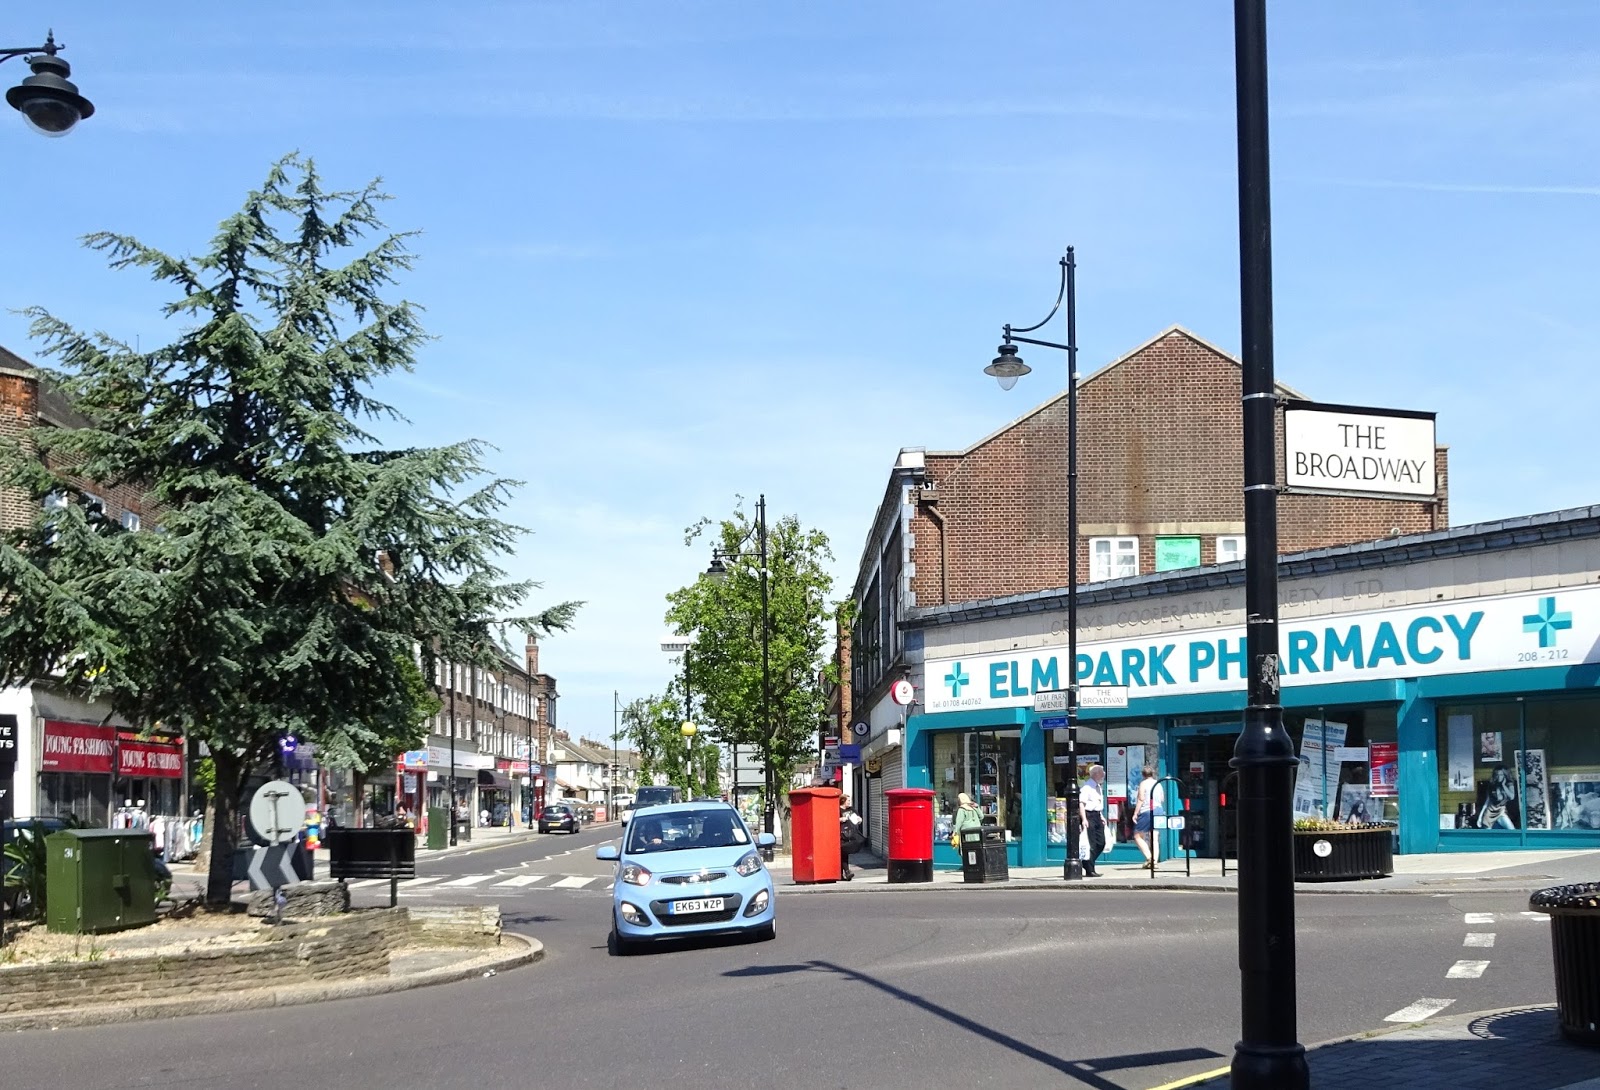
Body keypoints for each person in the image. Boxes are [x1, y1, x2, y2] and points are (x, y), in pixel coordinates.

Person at [1080, 765, 1107, 877]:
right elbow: (1081, 803)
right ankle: (1089, 869)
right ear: (1096, 774)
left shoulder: (1098, 787)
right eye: (1102, 772)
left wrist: (1101, 816)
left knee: (1101, 843)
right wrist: (1084, 819)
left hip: (1097, 815)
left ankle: (1086, 863)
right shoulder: (1087, 787)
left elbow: (1097, 803)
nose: (1103, 774)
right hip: (1089, 815)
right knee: (1091, 844)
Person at [1133, 765, 1163, 862]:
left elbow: (1141, 799)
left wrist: (1135, 813)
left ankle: (1149, 858)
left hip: (1147, 810)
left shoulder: (1143, 784)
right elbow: (1162, 799)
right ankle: (1155, 861)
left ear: (1143, 774)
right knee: (1154, 836)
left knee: (1137, 835)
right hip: (1159, 810)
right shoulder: (1158, 784)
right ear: (1153, 774)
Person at [839, 794, 865, 880]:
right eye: (848, 801)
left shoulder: (851, 809)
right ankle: (846, 872)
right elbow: (831, 819)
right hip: (841, 834)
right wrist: (840, 819)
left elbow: (858, 817)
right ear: (843, 801)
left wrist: (859, 819)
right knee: (843, 852)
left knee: (844, 852)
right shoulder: (838, 809)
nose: (849, 802)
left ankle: (844, 873)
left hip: (851, 834)